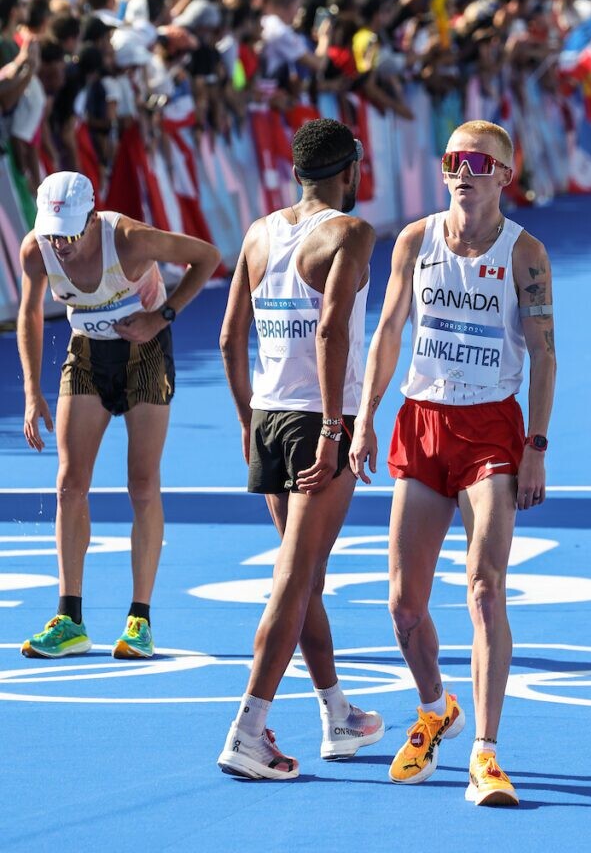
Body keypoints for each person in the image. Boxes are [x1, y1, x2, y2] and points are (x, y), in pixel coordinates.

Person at [349, 119, 556, 807]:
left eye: (479, 162)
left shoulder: (525, 253)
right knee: (404, 606)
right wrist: (365, 416)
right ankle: (436, 708)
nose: (464, 172)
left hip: (491, 427)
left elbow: (545, 353)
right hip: (422, 422)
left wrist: (536, 447)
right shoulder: (415, 240)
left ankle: (486, 755)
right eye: (453, 160)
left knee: (484, 590)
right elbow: (387, 331)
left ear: (505, 176)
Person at [217, 117, 383, 781]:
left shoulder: (259, 232)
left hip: (267, 416)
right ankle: (247, 729)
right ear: (350, 172)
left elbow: (229, 337)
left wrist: (245, 419)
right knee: (294, 578)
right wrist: (338, 429)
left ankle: (337, 714)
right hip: (319, 420)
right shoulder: (352, 232)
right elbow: (332, 331)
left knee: (305, 575)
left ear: (296, 173)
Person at [17, 171, 220, 660]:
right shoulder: (36, 249)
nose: (61, 245)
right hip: (87, 353)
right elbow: (28, 313)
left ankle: (140, 620)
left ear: (91, 219)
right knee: (69, 484)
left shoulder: (129, 239)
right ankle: (69, 619)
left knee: (142, 485)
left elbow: (207, 257)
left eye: (69, 233)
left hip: (146, 354)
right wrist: (31, 391)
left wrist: (161, 316)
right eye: (53, 233)